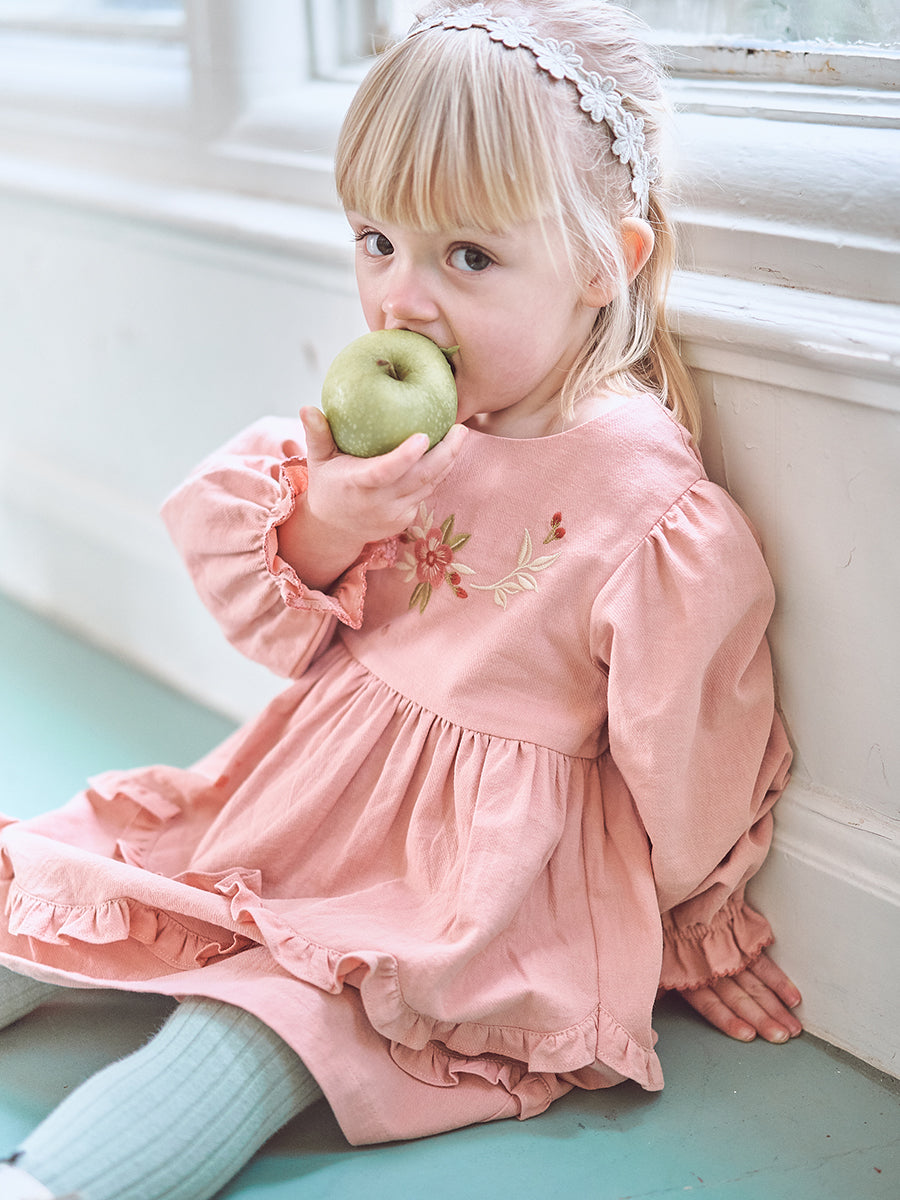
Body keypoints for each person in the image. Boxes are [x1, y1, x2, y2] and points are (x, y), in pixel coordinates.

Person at [0, 3, 803, 1197]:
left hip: (462, 880)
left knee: (274, 1018)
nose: (401, 302)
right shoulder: (402, 432)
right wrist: (328, 518)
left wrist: (698, 918)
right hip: (302, 803)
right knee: (71, 884)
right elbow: (273, 625)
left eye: (468, 257)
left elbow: (687, 744)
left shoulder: (642, 499)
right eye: (377, 241)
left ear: (605, 265)